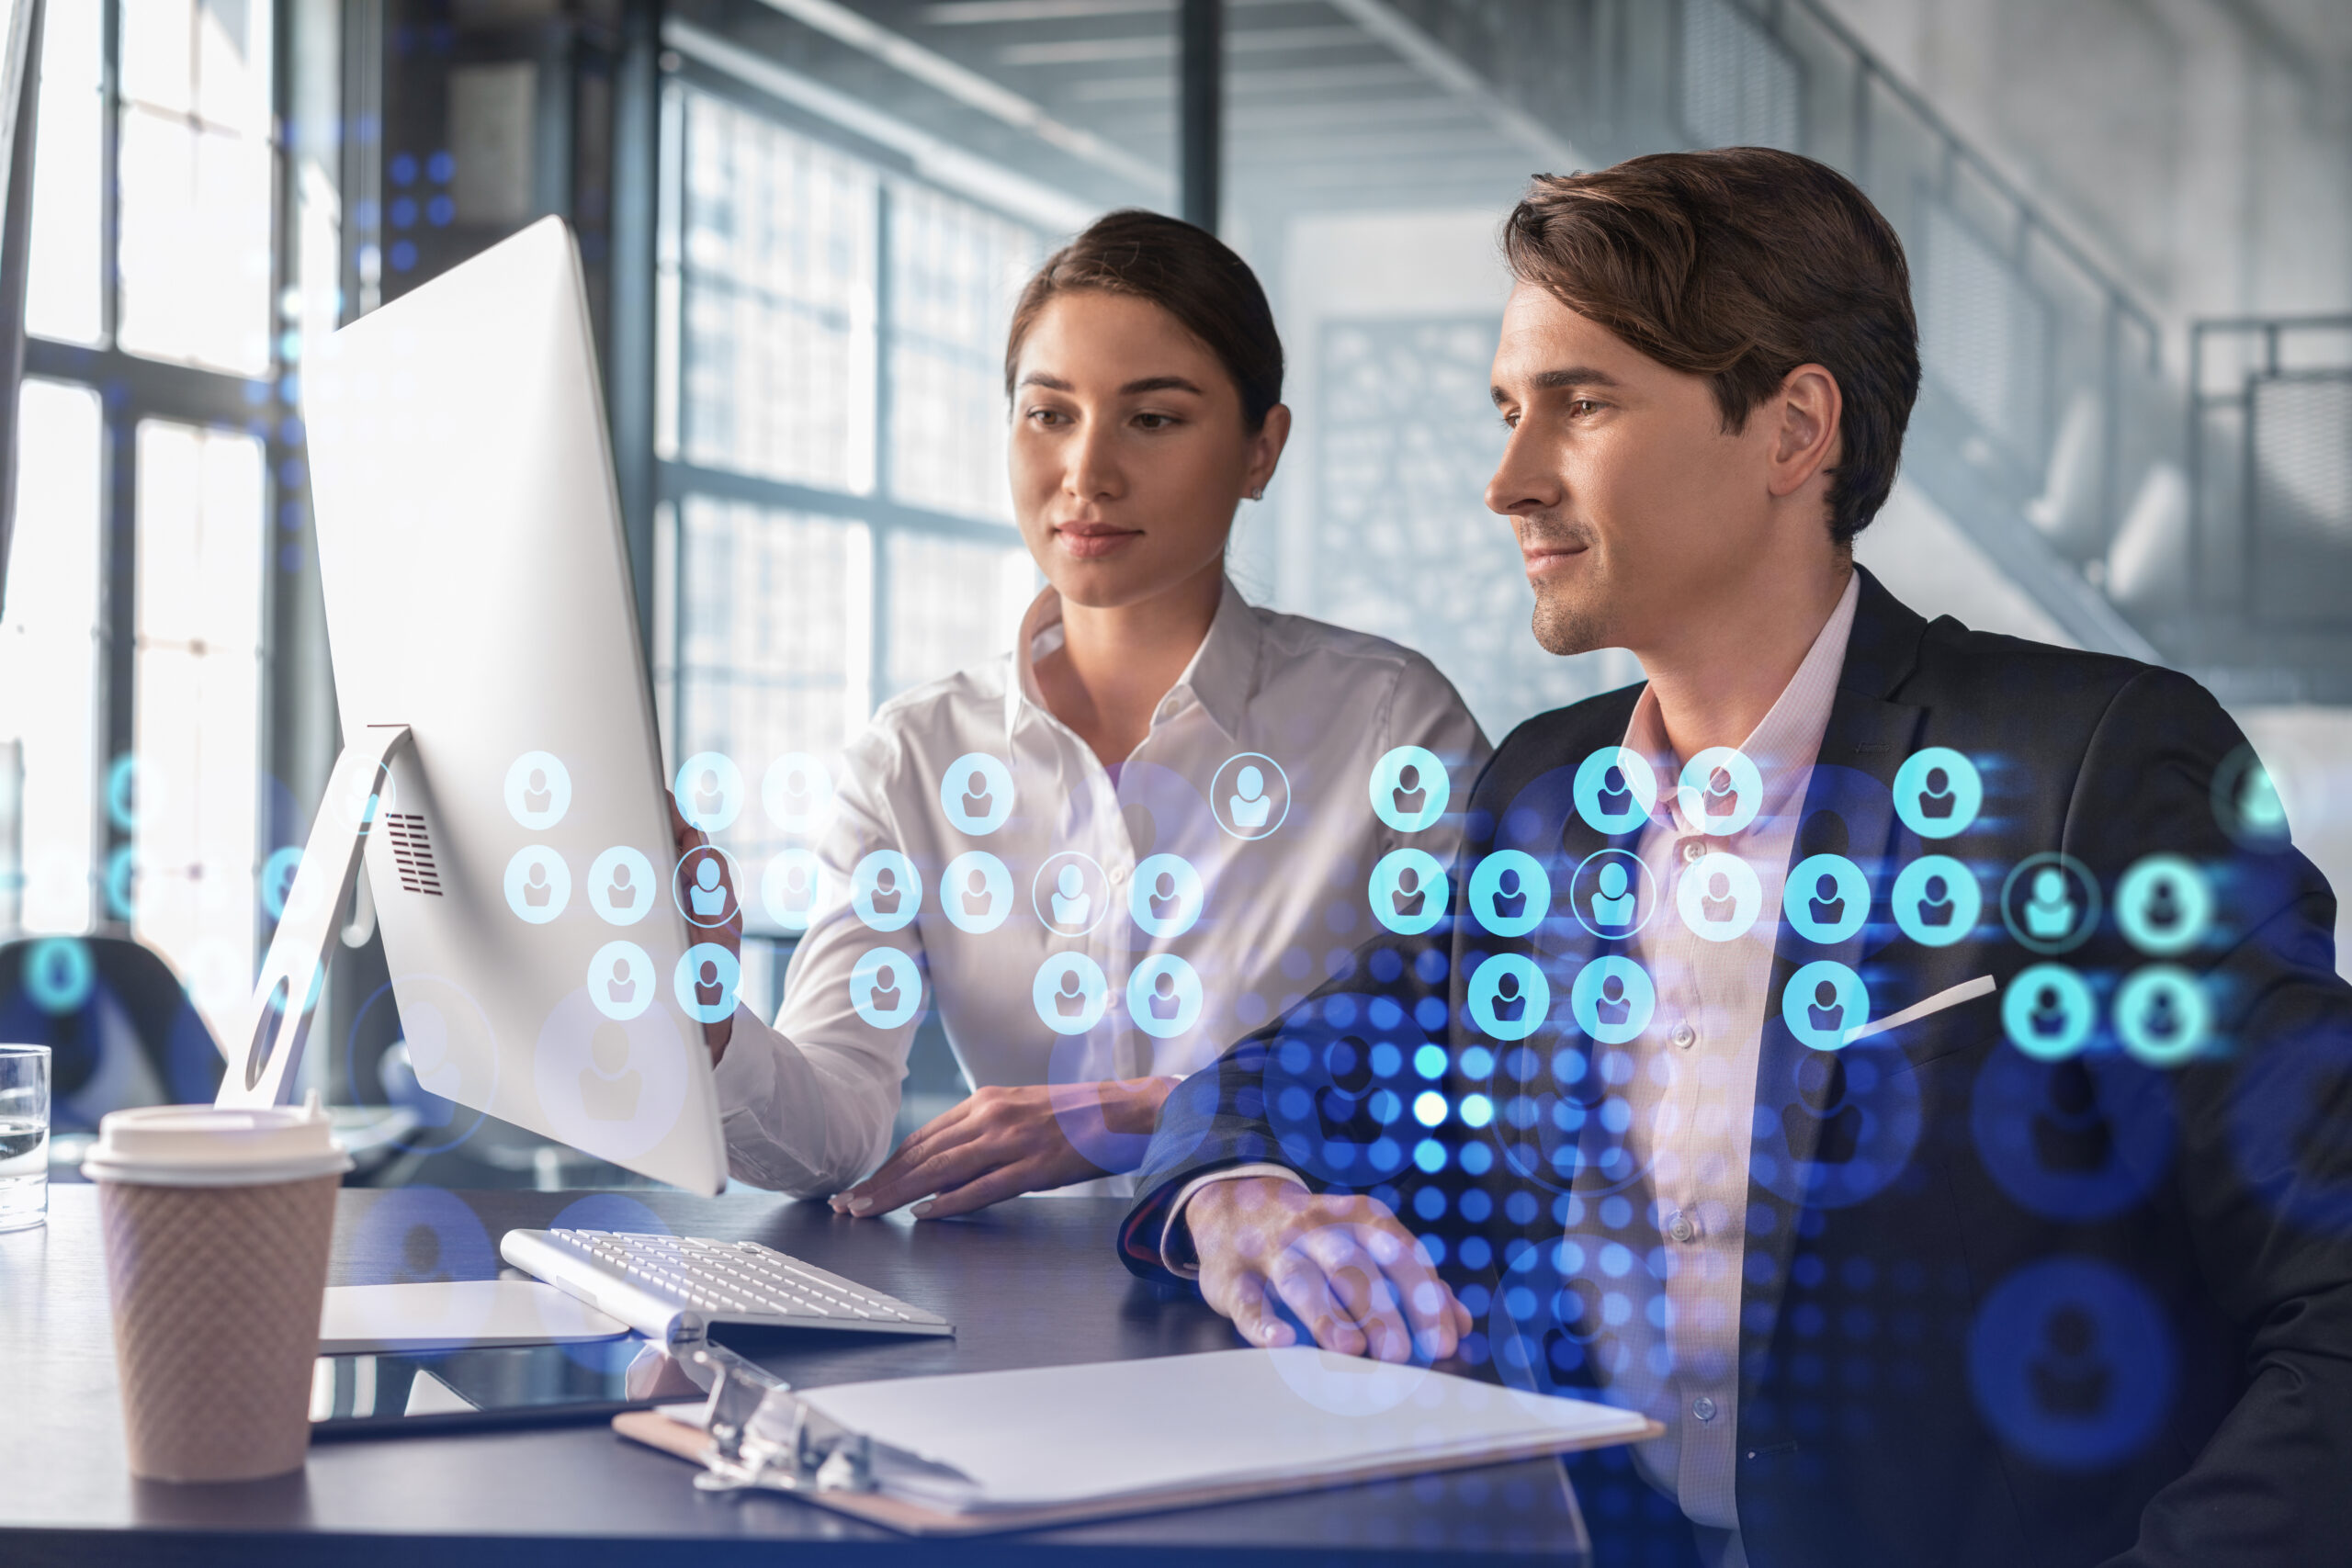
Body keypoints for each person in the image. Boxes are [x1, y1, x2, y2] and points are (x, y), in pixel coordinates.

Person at [1118, 151, 2352, 1565]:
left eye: (1581, 405)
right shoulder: (1542, 796)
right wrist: (1241, 1197)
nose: (1508, 479)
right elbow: (1287, 1069)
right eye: (1512, 410)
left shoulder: (2099, 775)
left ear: (1792, 430)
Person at [691, 209, 1487, 1216]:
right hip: (1010, 1321)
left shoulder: (1390, 726)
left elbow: (1476, 1077)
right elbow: (834, 1131)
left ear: (1260, 450)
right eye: (1049, 414)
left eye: (1152, 419)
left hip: (1306, 1309)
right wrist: (708, 1012)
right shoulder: (914, 759)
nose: (1086, 474)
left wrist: (1160, 1111)